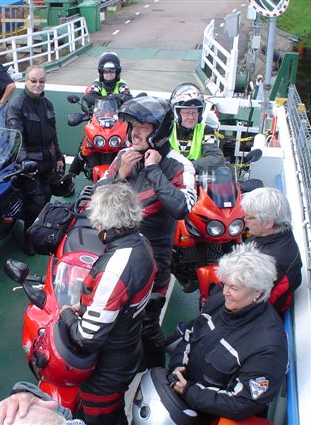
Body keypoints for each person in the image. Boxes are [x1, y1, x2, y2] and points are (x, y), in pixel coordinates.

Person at [97, 96, 196, 370]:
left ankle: (155, 373)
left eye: (143, 127)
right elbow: (96, 199)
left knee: (148, 324)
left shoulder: (179, 165)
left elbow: (181, 207)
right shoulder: (123, 156)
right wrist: (119, 175)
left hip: (153, 262)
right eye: (133, 126)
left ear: (160, 131)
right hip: (116, 255)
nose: (135, 132)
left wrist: (153, 170)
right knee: (115, 316)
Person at [57, 183, 156, 425]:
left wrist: (67, 315)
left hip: (108, 366)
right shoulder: (141, 242)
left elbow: (87, 338)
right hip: (128, 342)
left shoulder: (116, 266)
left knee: (102, 417)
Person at [169, 243, 288, 422]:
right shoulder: (220, 300)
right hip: (184, 397)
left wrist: (189, 392)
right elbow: (192, 332)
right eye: (224, 284)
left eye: (234, 288)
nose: (225, 292)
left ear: (258, 293)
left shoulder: (269, 347)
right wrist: (178, 365)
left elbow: (241, 404)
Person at [6, 65, 64, 255]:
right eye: (33, 81)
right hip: (30, 164)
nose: (38, 84)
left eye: (41, 81)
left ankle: (40, 234)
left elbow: (54, 134)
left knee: (46, 199)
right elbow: (16, 138)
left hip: (47, 160)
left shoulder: (47, 104)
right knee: (35, 203)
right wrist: (25, 163)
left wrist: (59, 156)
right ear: (26, 81)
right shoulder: (17, 105)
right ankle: (29, 240)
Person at [68, 52, 132, 177]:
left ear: (117, 72)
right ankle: (71, 176)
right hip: (98, 122)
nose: (109, 74)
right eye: (106, 71)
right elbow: (90, 96)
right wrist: (109, 99)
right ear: (101, 72)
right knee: (84, 146)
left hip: (117, 123)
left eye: (112, 71)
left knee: (130, 145)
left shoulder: (121, 84)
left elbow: (128, 97)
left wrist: (115, 97)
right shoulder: (97, 84)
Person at [241, 187, 302, 316]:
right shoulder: (272, 235)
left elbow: (248, 303)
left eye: (249, 218)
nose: (245, 221)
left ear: (269, 223)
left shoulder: (273, 261)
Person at [168, 82, 225, 173]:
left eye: (194, 112)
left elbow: (216, 158)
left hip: (197, 176)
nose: (191, 117)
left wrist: (187, 167)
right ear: (177, 113)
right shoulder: (167, 129)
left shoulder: (206, 131)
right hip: (169, 175)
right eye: (186, 113)